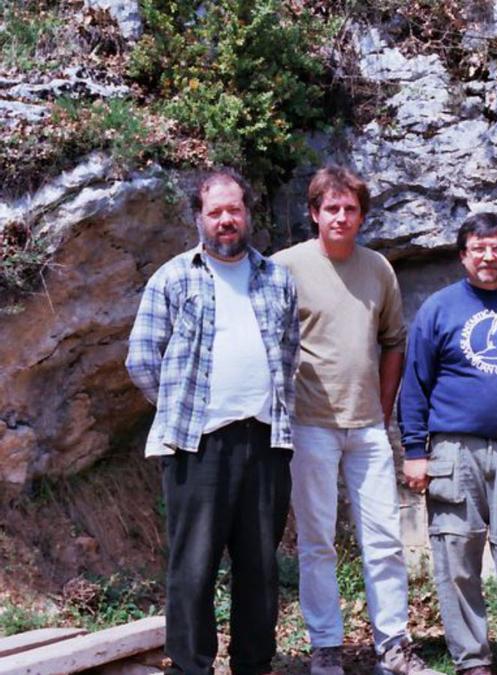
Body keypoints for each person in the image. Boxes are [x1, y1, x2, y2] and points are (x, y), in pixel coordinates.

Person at [126, 170, 298, 675]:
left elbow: (288, 356)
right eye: (215, 211)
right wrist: (183, 408)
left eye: (235, 209)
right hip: (196, 445)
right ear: (198, 218)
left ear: (248, 214)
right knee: (194, 566)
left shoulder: (278, 278)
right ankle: (189, 665)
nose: (226, 219)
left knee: (260, 566)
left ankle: (253, 664)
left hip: (266, 441)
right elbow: (141, 359)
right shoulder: (174, 277)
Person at [273, 166, 430, 675]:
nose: (341, 217)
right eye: (331, 208)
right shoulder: (284, 267)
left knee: (384, 541)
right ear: (314, 213)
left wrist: (383, 411)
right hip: (309, 423)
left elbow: (393, 343)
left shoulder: (378, 268)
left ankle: (393, 647)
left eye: (351, 209)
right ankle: (326, 648)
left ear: (362, 215)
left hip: (367, 428)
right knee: (317, 542)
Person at [398, 213, 497, 675]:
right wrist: (415, 450)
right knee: (457, 560)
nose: (489, 257)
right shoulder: (439, 308)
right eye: (479, 248)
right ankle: (473, 661)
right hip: (452, 451)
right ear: (463, 255)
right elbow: (415, 385)